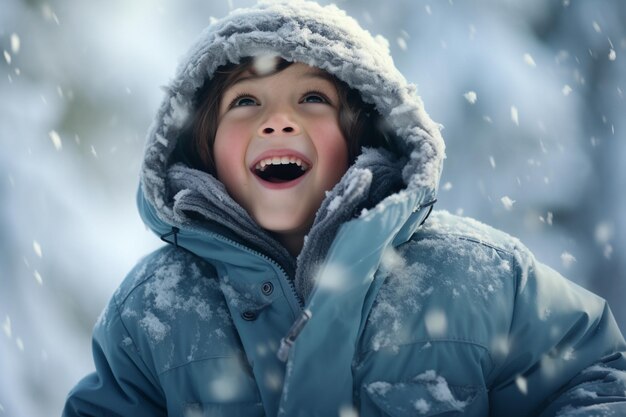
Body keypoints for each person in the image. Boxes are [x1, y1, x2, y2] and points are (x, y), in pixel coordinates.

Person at [63, 1, 626, 416]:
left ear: (358, 135)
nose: (278, 121)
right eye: (244, 101)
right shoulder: (157, 310)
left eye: (312, 98)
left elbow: (598, 378)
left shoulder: (479, 276)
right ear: (204, 147)